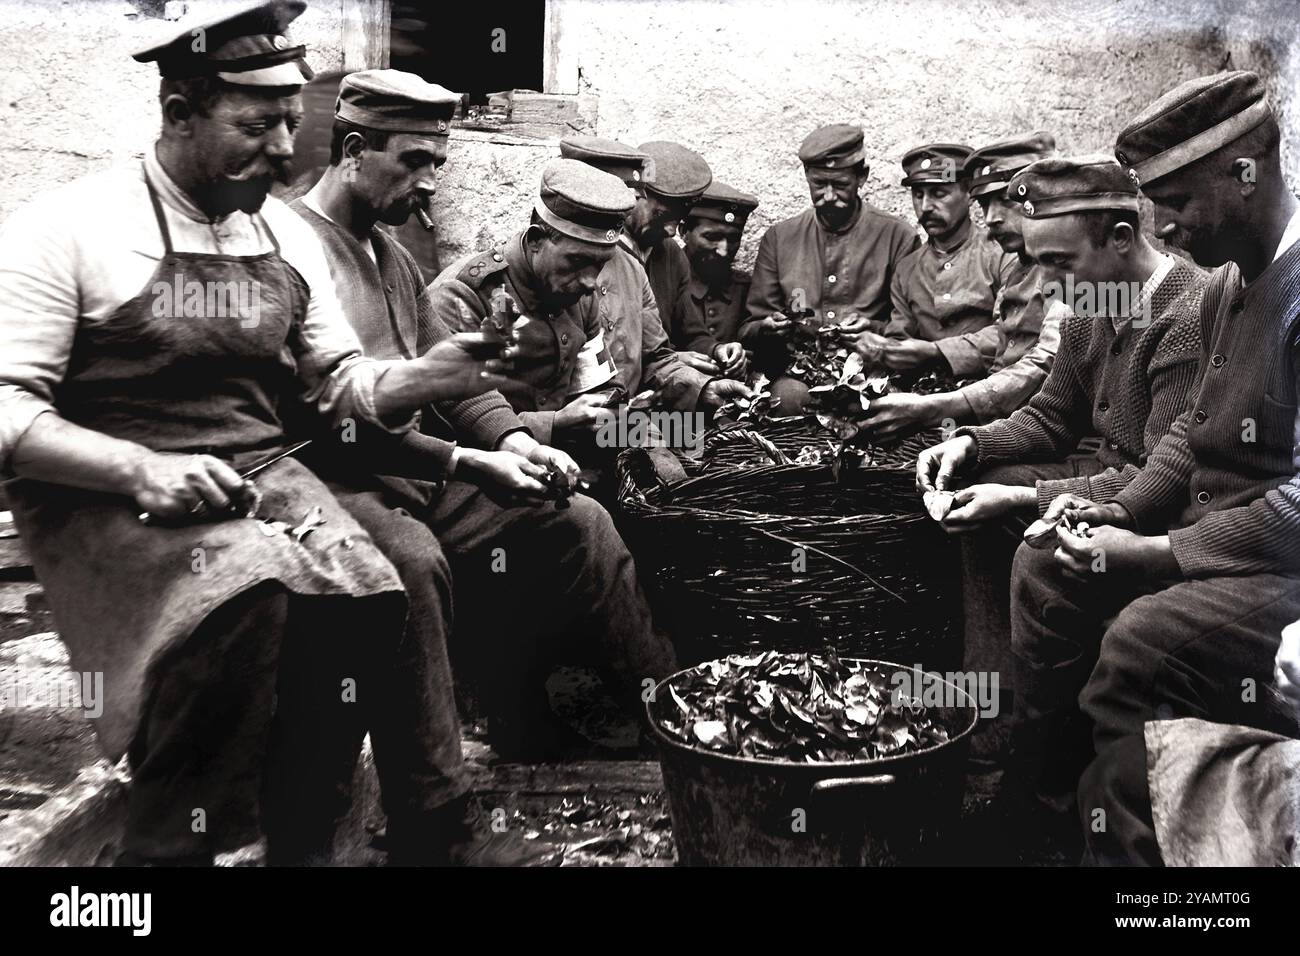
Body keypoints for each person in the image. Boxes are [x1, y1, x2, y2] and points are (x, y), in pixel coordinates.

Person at [0, 1, 514, 866]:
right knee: (249, 599)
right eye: (257, 125)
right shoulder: (72, 228)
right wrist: (138, 469)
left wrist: (426, 379)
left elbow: (340, 384)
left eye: (289, 123)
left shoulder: (276, 234)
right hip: (107, 500)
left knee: (369, 594)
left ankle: (302, 838)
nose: (283, 150)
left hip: (256, 478)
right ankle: (165, 850)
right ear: (178, 114)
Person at [292, 74, 680, 775]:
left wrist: (515, 442)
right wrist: (480, 456)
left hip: (421, 470)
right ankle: (436, 808)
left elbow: (458, 383)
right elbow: (330, 416)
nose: (431, 184)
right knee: (413, 561)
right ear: (353, 148)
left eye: (437, 164)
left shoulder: (394, 259)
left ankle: (671, 716)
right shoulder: (296, 250)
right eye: (416, 161)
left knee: (579, 519)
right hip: (339, 481)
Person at [1006, 72, 1300, 863]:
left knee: (1139, 647)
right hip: (1217, 542)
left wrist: (1162, 553)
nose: (1161, 226)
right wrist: (1124, 511)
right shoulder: (1228, 289)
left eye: (1175, 199)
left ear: (1247, 171)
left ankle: (1143, 853)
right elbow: (1190, 441)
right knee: (1054, 566)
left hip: (1280, 563)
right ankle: (1066, 817)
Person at [914, 157, 1207, 768]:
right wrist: (973, 444)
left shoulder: (1185, 315)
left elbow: (1160, 476)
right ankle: (992, 708)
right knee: (978, 486)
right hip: (1103, 475)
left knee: (1036, 552)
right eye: (1039, 261)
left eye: (1060, 263)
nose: (1047, 283)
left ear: (1122, 240)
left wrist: (1030, 499)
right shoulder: (1090, 302)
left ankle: (1042, 766)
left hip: (1157, 505)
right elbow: (1051, 416)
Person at [430, 159, 748, 460]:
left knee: (672, 467)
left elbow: (599, 390)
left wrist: (695, 395)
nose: (590, 282)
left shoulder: (581, 291)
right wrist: (554, 424)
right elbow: (451, 420)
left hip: (576, 451)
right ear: (537, 239)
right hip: (493, 466)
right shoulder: (465, 295)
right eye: (578, 261)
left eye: (600, 264)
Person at [857, 133, 1067, 442]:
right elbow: (1007, 354)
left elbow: (1045, 360)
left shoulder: (1056, 267)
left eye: (1007, 201)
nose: (992, 218)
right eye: (986, 203)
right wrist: (879, 344)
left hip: (1022, 415)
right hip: (999, 410)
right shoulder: (1021, 262)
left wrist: (936, 385)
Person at [742, 124, 919, 412]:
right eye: (818, 184)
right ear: (807, 178)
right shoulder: (779, 239)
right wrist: (767, 328)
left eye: (839, 185)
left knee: (882, 407)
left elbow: (912, 328)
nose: (828, 195)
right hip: (799, 376)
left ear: (862, 176)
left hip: (874, 373)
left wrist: (872, 329)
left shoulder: (898, 237)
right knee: (786, 400)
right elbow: (749, 327)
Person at [557, 134, 721, 408]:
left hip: (622, 419)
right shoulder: (537, 268)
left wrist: (704, 388)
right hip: (559, 429)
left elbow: (656, 355)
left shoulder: (633, 268)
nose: (671, 230)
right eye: (662, 215)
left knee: (690, 443)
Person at [849, 143, 1010, 378]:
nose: (925, 207)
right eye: (918, 194)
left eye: (939, 193)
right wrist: (876, 340)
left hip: (991, 386)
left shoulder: (1000, 254)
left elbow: (1011, 333)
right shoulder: (907, 269)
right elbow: (900, 335)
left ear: (968, 194)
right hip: (925, 391)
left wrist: (936, 351)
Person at [626, 140, 746, 378]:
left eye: (678, 219)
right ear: (636, 194)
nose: (671, 231)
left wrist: (717, 349)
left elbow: (691, 332)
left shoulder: (670, 254)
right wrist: (670, 359)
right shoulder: (603, 252)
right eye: (661, 215)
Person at [680, 181, 760, 347]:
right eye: (712, 237)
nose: (723, 250)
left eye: (733, 239)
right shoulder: (662, 283)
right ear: (684, 232)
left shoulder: (745, 289)